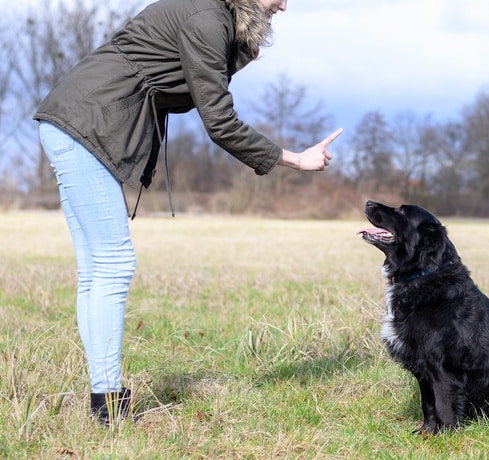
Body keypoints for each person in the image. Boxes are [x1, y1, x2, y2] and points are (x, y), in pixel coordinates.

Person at [33, 0, 342, 426]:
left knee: (97, 268)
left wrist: (239, 51)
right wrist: (294, 159)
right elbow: (218, 120)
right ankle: (107, 403)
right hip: (86, 123)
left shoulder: (212, 15)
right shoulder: (207, 18)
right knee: (114, 263)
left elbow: (182, 84)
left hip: (77, 119)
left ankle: (103, 397)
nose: (285, 6)